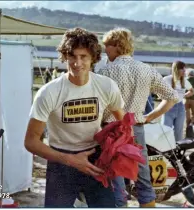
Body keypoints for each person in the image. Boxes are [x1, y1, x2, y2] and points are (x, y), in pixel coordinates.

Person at [24, 27, 126, 208]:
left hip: (96, 159)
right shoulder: (49, 92)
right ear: (65, 56)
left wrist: (116, 148)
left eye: (83, 57)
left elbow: (124, 123)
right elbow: (31, 141)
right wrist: (69, 160)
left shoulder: (106, 86)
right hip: (61, 161)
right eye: (72, 56)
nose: (77, 63)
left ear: (93, 57)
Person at [97, 27, 179, 208]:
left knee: (115, 177)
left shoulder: (106, 71)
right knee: (143, 177)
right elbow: (172, 97)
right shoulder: (146, 69)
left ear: (116, 46)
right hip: (137, 128)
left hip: (112, 129)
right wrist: (150, 117)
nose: (105, 51)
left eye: (107, 46)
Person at [162, 61, 194, 142]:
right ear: (176, 69)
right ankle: (166, 150)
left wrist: (183, 96)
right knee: (165, 131)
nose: (185, 71)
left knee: (178, 133)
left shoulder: (184, 81)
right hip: (168, 107)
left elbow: (192, 91)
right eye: (182, 69)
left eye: (185, 69)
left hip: (180, 107)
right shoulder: (166, 79)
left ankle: (177, 152)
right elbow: (158, 91)